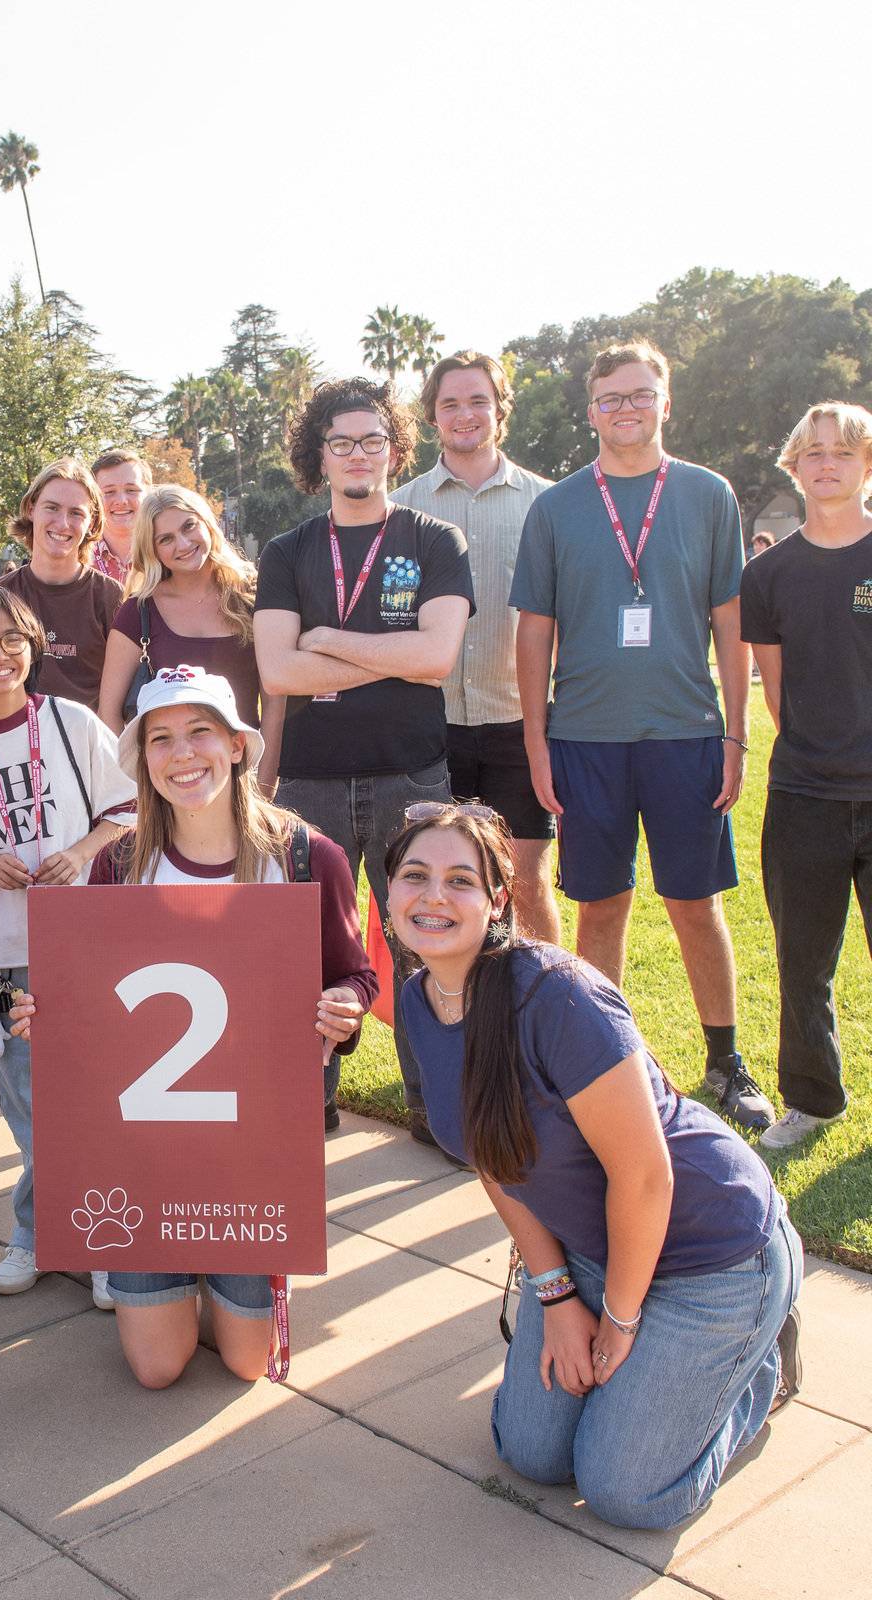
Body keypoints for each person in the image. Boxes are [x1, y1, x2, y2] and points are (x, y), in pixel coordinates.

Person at [383, 805, 801, 1530]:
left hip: (712, 1252)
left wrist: (617, 1317)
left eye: (460, 881)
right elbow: (494, 1159)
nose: (434, 898)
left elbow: (646, 1177)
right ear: (387, 891)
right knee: (532, 1454)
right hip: (595, 1248)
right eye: (414, 877)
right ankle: (659, 1382)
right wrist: (556, 1298)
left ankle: (759, 1367)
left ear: (498, 900)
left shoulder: (559, 996)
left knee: (626, 1492)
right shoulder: (422, 1001)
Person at [7, 668, 376, 1385]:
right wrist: (48, 1016)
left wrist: (343, 1005)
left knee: (245, 1364)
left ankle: (247, 1271)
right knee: (158, 1368)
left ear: (238, 746)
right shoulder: (120, 864)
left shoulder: (305, 857)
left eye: (200, 732)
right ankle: (174, 1269)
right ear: (142, 758)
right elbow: (95, 995)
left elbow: (355, 972)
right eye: (162, 738)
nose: (183, 754)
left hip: (254, 1152)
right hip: (146, 1155)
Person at [510, 342, 772, 1131]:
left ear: (666, 403)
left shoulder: (706, 494)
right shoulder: (556, 507)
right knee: (600, 908)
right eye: (610, 398)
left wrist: (735, 734)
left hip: (687, 736)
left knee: (695, 903)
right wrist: (535, 741)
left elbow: (731, 623)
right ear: (590, 410)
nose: (625, 409)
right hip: (585, 739)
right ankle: (602, 1066)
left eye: (640, 395)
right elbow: (534, 632)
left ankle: (725, 1063)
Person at [253, 378, 474, 1141]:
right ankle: (305, 1097)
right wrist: (394, 656)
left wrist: (329, 640)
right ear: (319, 455)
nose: (358, 454)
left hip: (411, 778)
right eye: (341, 441)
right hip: (309, 782)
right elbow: (278, 672)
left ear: (395, 448)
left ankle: (436, 1109)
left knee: (427, 941)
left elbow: (439, 655)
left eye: (372, 440)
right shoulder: (289, 552)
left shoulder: (434, 541)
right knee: (305, 945)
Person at [0, 586, 137, 1304]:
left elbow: (128, 810)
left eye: (12, 638)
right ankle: (48, 1233)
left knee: (89, 1092)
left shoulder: (71, 722)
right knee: (25, 1098)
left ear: (34, 645)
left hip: (83, 943)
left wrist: (79, 850)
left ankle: (88, 1238)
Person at [392, 353, 560, 942]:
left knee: (528, 883)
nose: (465, 415)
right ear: (433, 415)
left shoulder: (549, 503)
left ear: (500, 408)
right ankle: (450, 1014)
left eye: (477, 400)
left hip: (518, 721)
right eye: (450, 404)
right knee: (434, 885)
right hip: (427, 724)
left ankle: (545, 1008)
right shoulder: (400, 508)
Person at [741, 402, 872, 1150]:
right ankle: (812, 1100)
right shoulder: (769, 573)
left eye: (844, 452)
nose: (827, 463)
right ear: (795, 465)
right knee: (803, 963)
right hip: (805, 798)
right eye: (814, 452)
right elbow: (779, 694)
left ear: (866, 465)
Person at [98, 485, 284, 792]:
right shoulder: (139, 611)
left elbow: (275, 705)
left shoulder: (253, 596)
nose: (183, 544)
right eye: (165, 539)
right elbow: (109, 713)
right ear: (152, 549)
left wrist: (263, 789)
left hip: (243, 782)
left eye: (189, 526)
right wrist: (148, 789)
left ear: (208, 523)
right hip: (174, 783)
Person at [0, 458, 124, 710]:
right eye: (51, 508)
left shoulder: (111, 598)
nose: (63, 524)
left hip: (88, 744)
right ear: (31, 509)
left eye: (76, 513)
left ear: (92, 522)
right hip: (15, 743)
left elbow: (120, 700)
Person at [90, 447, 153, 583]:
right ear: (93, 499)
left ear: (148, 493)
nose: (121, 501)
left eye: (131, 490)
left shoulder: (168, 552)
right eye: (109, 492)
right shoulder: (77, 559)